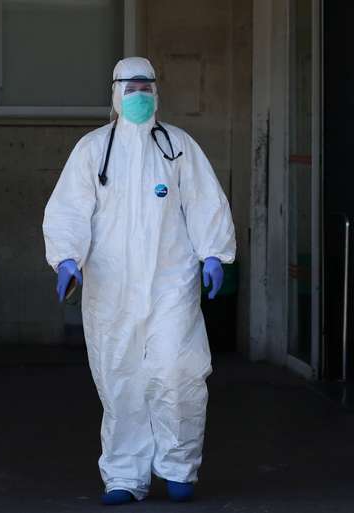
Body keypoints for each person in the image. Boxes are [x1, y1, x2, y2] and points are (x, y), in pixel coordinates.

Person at [43, 57, 236, 505]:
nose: (139, 95)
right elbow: (70, 208)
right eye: (130, 87)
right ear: (114, 93)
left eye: (146, 86)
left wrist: (213, 253)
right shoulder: (93, 149)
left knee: (177, 371)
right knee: (119, 377)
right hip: (111, 286)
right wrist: (67, 259)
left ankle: (178, 466)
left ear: (158, 92)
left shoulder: (178, 146)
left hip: (172, 280)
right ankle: (125, 475)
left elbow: (205, 201)